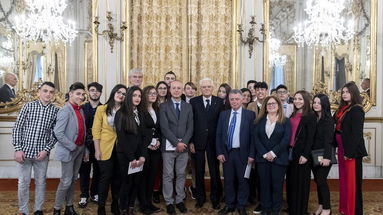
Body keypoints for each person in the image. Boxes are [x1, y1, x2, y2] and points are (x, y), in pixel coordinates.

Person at [12, 82, 59, 215]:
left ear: (53, 95)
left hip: (41, 154)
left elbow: (55, 134)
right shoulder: (28, 106)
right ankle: (24, 210)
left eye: (51, 92)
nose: (48, 94)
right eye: (45, 91)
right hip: (24, 152)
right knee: (23, 183)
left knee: (41, 183)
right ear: (39, 92)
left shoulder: (55, 111)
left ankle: (38, 209)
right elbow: (17, 128)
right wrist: (18, 149)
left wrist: (46, 150)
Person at [216, 89, 255, 215]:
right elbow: (219, 135)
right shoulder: (224, 114)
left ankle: (241, 205)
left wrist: (251, 154)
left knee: (243, 181)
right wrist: (219, 152)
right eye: (232, 99)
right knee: (228, 180)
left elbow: (253, 137)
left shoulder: (250, 115)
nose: (234, 101)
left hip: (243, 153)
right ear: (229, 100)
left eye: (237, 99)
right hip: (227, 153)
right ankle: (229, 204)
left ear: (242, 99)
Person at [53, 82, 87, 215]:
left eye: (83, 94)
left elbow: (83, 131)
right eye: (78, 94)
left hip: (79, 150)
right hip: (69, 150)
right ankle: (56, 209)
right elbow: (58, 132)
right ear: (71, 94)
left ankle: (69, 207)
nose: (81, 96)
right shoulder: (65, 110)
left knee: (73, 179)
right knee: (66, 181)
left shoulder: (80, 110)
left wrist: (84, 149)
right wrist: (72, 146)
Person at [159, 80, 193, 215]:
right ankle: (169, 201)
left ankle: (179, 200)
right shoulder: (163, 106)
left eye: (179, 88)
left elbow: (190, 127)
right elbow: (164, 127)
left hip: (183, 148)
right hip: (168, 147)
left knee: (181, 174)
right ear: (170, 90)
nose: (177, 90)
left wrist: (183, 142)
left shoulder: (188, 106)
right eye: (174, 88)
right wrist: (176, 142)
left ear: (183, 90)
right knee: (168, 175)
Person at [253, 96, 291, 215]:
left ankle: (275, 210)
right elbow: (256, 138)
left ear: (279, 105)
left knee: (276, 186)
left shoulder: (285, 120)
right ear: (265, 106)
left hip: (279, 159)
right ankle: (265, 209)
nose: (271, 105)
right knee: (264, 186)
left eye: (273, 103)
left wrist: (273, 153)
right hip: (262, 159)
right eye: (268, 104)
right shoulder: (259, 120)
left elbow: (286, 140)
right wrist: (265, 154)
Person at [189, 78, 224, 209]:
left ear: (213, 87)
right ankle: (200, 198)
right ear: (200, 88)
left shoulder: (219, 102)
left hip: (214, 142)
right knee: (199, 171)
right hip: (198, 141)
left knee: (214, 171)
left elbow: (221, 124)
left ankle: (215, 198)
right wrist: (191, 141)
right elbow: (191, 123)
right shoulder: (194, 101)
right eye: (204, 87)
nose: (206, 89)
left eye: (209, 86)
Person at [93, 84, 127, 215]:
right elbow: (96, 131)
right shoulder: (102, 109)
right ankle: (101, 206)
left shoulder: (126, 111)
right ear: (113, 93)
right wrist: (97, 150)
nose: (121, 95)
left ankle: (115, 205)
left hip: (121, 149)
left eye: (124, 94)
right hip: (104, 148)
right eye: (119, 92)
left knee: (118, 178)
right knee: (105, 178)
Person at [334, 82, 367, 215]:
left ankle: (353, 211)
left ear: (354, 93)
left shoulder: (357, 109)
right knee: (344, 180)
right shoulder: (343, 108)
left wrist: (349, 152)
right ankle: (345, 209)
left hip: (350, 151)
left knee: (352, 182)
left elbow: (357, 134)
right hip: (342, 148)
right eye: (343, 92)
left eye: (347, 92)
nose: (344, 94)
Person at [115, 86, 147, 215]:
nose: (137, 98)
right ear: (128, 96)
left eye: (139, 96)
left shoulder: (141, 113)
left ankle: (131, 207)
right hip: (126, 156)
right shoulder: (121, 113)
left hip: (139, 156)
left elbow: (143, 137)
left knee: (136, 182)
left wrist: (143, 156)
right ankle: (123, 209)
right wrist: (132, 158)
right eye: (134, 95)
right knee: (126, 183)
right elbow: (121, 138)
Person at [286, 90, 316, 215]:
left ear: (306, 101)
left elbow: (310, 138)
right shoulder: (292, 114)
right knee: (291, 181)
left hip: (302, 154)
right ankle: (292, 208)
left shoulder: (310, 116)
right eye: (295, 99)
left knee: (301, 182)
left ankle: (300, 210)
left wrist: (305, 154)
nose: (297, 101)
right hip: (290, 152)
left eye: (300, 99)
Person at [137, 86, 162, 214]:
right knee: (143, 177)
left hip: (156, 148)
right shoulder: (139, 110)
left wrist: (158, 141)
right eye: (149, 93)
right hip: (144, 148)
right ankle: (143, 204)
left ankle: (149, 202)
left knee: (152, 177)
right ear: (144, 95)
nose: (153, 95)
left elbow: (159, 129)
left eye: (154, 93)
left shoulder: (157, 109)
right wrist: (149, 142)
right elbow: (140, 130)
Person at [78, 82, 103, 208]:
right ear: (88, 92)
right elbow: (80, 130)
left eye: (97, 90)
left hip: (100, 146)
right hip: (85, 147)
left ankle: (95, 193)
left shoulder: (105, 108)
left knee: (98, 171)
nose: (95, 92)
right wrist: (85, 149)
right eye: (92, 90)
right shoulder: (82, 108)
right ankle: (83, 195)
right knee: (84, 172)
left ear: (101, 93)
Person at [312, 94, 335, 215]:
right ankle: (321, 205)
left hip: (325, 155)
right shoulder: (313, 117)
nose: (316, 105)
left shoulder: (328, 120)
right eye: (314, 102)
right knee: (317, 180)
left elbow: (329, 140)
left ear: (324, 104)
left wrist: (327, 158)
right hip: (313, 155)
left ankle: (327, 208)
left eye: (319, 103)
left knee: (321, 180)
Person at [247, 82, 268, 214]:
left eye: (262, 89)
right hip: (254, 144)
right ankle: (257, 199)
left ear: (266, 91)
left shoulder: (271, 103)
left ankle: (265, 201)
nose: (260, 92)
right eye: (258, 90)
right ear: (255, 91)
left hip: (268, 145)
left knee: (266, 176)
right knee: (255, 174)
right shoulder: (250, 106)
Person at [152, 81, 169, 203]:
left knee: (167, 167)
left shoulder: (170, 103)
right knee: (156, 167)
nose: (162, 90)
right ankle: (155, 191)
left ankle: (166, 190)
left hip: (168, 139)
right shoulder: (152, 104)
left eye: (165, 88)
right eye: (160, 88)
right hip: (156, 139)